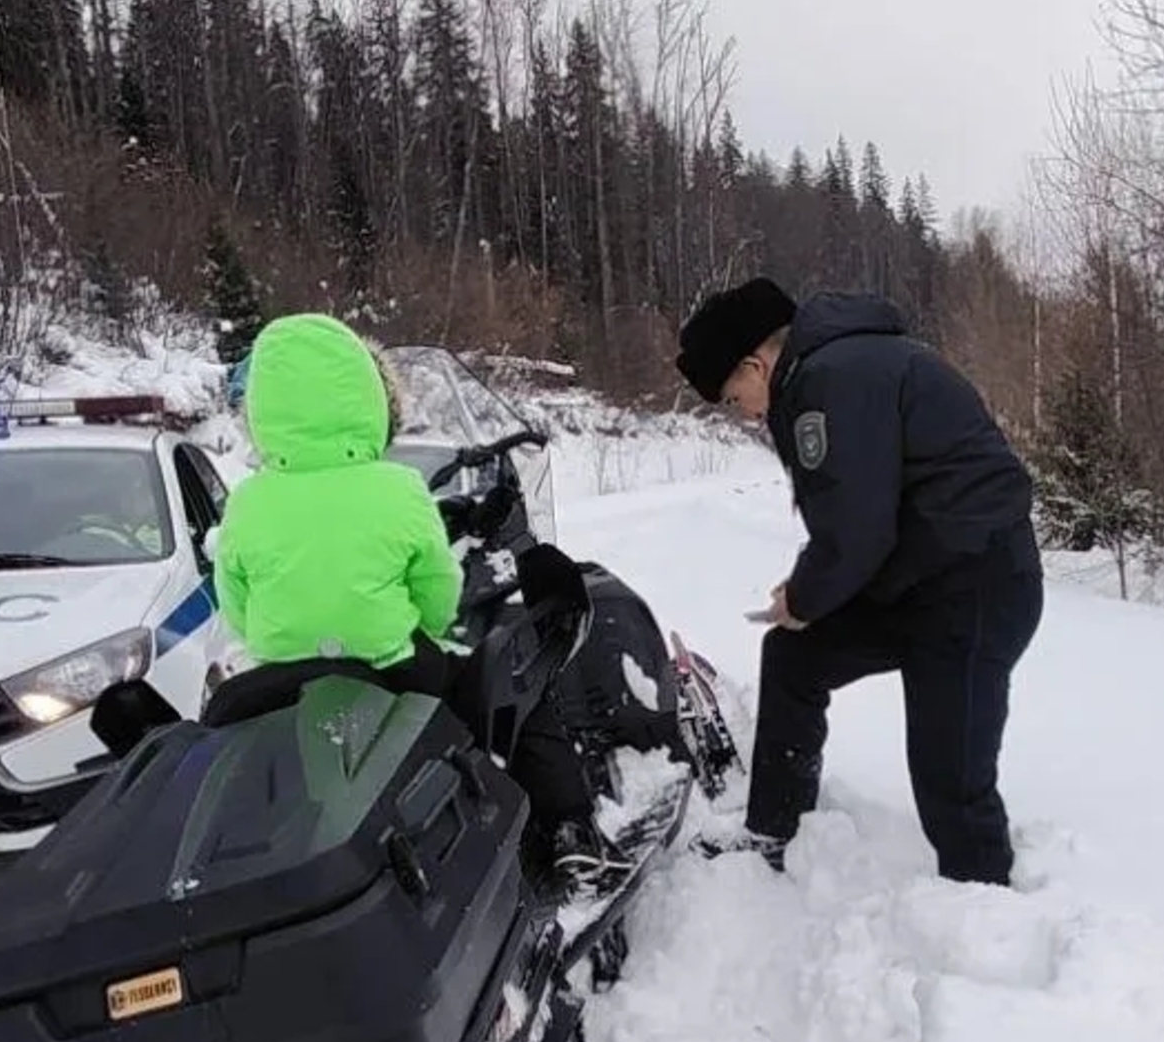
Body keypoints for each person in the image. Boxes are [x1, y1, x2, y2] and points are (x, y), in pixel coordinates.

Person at [213, 312, 607, 891]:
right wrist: (421, 625)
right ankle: (569, 826)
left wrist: (285, 635)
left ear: (262, 410)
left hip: (281, 676)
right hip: (392, 667)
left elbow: (236, 603)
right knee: (513, 687)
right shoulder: (398, 488)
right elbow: (438, 591)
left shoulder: (247, 502)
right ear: (367, 397)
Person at [676, 278, 1042, 885]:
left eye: (734, 396)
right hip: (918, 580)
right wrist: (808, 600)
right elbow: (861, 519)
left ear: (755, 363)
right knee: (796, 654)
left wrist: (804, 595)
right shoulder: (829, 371)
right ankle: (776, 831)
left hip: (975, 585)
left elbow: (857, 530)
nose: (743, 413)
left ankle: (986, 920)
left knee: (949, 778)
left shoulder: (830, 380)